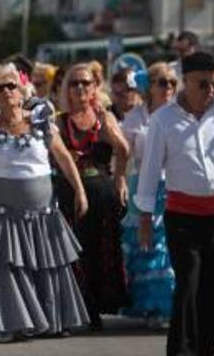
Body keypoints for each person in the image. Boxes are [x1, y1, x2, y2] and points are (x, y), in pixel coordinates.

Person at [136, 51, 214, 355]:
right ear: (186, 82)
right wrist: (144, 216)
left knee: (213, 288)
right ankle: (181, 350)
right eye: (203, 84)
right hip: (183, 216)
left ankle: (205, 349)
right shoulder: (163, 119)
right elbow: (150, 169)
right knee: (188, 286)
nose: (210, 91)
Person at [0, 63, 89, 342]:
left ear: (21, 90)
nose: (7, 91)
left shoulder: (41, 122)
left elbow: (63, 158)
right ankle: (13, 324)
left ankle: (54, 321)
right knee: (8, 268)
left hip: (44, 212)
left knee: (50, 265)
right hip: (5, 213)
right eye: (0, 88)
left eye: (11, 85)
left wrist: (80, 191)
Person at [54, 63, 130, 330]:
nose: (80, 88)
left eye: (85, 83)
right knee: (76, 252)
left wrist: (121, 179)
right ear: (67, 88)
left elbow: (124, 151)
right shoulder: (59, 121)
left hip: (103, 194)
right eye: (74, 83)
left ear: (95, 87)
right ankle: (80, 309)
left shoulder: (104, 116)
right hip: (72, 196)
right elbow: (54, 157)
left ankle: (98, 307)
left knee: (103, 250)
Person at [120, 62, 177, 328]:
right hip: (143, 186)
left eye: (173, 83)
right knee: (147, 248)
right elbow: (122, 153)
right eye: (163, 82)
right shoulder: (135, 117)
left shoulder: (181, 115)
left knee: (169, 249)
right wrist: (119, 178)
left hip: (174, 187)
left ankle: (171, 305)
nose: (169, 88)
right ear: (149, 87)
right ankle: (152, 306)